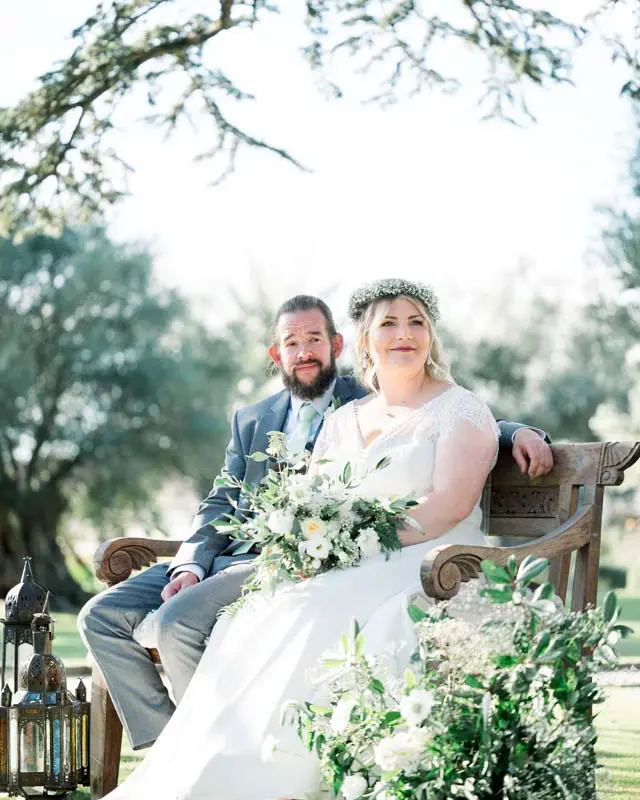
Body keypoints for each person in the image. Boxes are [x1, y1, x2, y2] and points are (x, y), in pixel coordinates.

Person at [101, 279, 552, 800]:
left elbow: (449, 504)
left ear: (431, 335)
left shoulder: (460, 409)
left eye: (416, 323)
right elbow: (305, 503)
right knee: (254, 613)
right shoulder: (344, 420)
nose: (404, 334)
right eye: (388, 324)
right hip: (343, 560)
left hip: (429, 561)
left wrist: (353, 545)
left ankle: (281, 777)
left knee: (309, 611)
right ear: (365, 340)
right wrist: (303, 546)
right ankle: (226, 764)